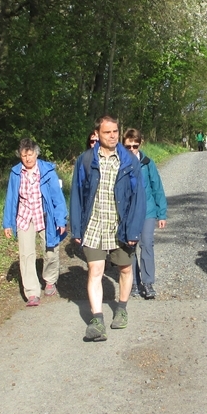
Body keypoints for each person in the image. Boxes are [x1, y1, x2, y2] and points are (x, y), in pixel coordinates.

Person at [70, 115, 146, 341]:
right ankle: (97, 320)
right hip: (94, 225)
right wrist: (76, 228)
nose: (113, 136)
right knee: (95, 271)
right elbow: (77, 195)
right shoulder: (85, 160)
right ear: (97, 134)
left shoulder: (129, 161)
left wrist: (133, 230)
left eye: (115, 131)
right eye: (107, 132)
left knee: (125, 269)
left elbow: (138, 198)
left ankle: (121, 308)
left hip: (120, 226)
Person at [2, 137, 69, 306]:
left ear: (36, 154)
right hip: (25, 217)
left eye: (30, 154)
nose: (27, 159)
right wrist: (7, 223)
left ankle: (50, 280)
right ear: (20, 156)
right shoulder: (16, 173)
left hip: (45, 216)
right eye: (24, 155)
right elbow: (11, 199)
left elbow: (57, 197)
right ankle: (32, 292)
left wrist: (61, 219)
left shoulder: (47, 171)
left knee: (50, 250)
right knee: (26, 255)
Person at [123, 129, 167, 299]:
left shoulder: (148, 163)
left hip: (148, 210)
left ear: (140, 144)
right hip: (128, 213)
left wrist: (161, 214)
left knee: (147, 243)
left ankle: (148, 282)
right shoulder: (119, 163)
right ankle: (133, 282)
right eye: (128, 146)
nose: (132, 149)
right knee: (130, 247)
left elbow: (157, 188)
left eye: (135, 146)